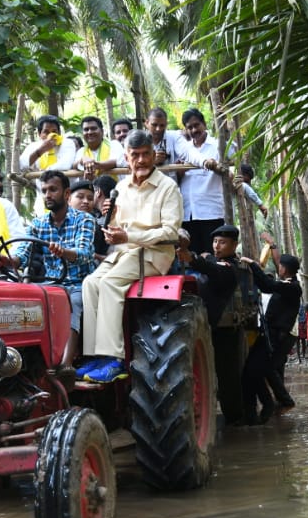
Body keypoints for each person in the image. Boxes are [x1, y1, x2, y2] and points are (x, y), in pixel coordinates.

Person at [79, 129, 183, 384]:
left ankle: (114, 360)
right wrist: (110, 223)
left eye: (146, 154)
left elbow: (171, 231)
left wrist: (128, 236)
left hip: (154, 255)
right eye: (134, 155)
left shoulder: (168, 187)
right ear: (126, 157)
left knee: (109, 284)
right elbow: (116, 228)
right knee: (90, 283)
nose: (141, 160)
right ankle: (95, 356)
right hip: (124, 253)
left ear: (154, 155)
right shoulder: (121, 188)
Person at [0, 171, 96, 371]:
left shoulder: (84, 220)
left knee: (73, 303)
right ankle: (20, 363)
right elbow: (22, 256)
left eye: (53, 189)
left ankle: (65, 366)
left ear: (66, 193)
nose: (47, 195)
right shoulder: (38, 224)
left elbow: (85, 253)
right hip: (49, 284)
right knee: (19, 304)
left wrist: (65, 252)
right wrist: (6, 261)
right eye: (44, 191)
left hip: (77, 283)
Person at [178, 224, 247, 423]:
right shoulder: (214, 261)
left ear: (234, 245)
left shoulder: (231, 267)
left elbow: (216, 271)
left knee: (228, 376)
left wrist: (194, 258)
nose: (217, 246)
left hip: (223, 330)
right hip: (208, 325)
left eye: (223, 242)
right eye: (215, 241)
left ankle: (236, 421)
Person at [244, 251, 302, 411]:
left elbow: (267, 286)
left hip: (279, 336)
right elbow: (269, 284)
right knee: (267, 370)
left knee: (256, 370)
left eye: (281, 266)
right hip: (274, 335)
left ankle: (273, 404)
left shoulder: (292, 287)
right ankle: (281, 403)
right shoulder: (286, 285)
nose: (279, 268)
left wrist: (252, 264)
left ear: (285, 269)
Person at [175, 108, 227, 256]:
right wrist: (180, 172)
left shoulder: (218, 146)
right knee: (192, 256)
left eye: (196, 125)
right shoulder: (184, 150)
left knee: (213, 256)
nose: (194, 130)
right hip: (188, 212)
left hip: (211, 211)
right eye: (189, 127)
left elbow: (232, 169)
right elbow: (176, 180)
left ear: (204, 124)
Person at [21, 114, 77, 179]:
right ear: (40, 134)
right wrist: (40, 150)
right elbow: (22, 165)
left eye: (54, 131)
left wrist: (46, 171)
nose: (51, 135)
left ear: (59, 133)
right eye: (46, 132)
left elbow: (65, 165)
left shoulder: (67, 143)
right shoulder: (33, 146)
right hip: (42, 188)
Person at [145, 107, 182, 180]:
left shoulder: (174, 137)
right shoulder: (139, 140)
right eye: (154, 125)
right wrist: (152, 162)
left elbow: (187, 153)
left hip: (170, 187)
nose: (158, 129)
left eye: (162, 125)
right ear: (146, 123)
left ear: (166, 124)